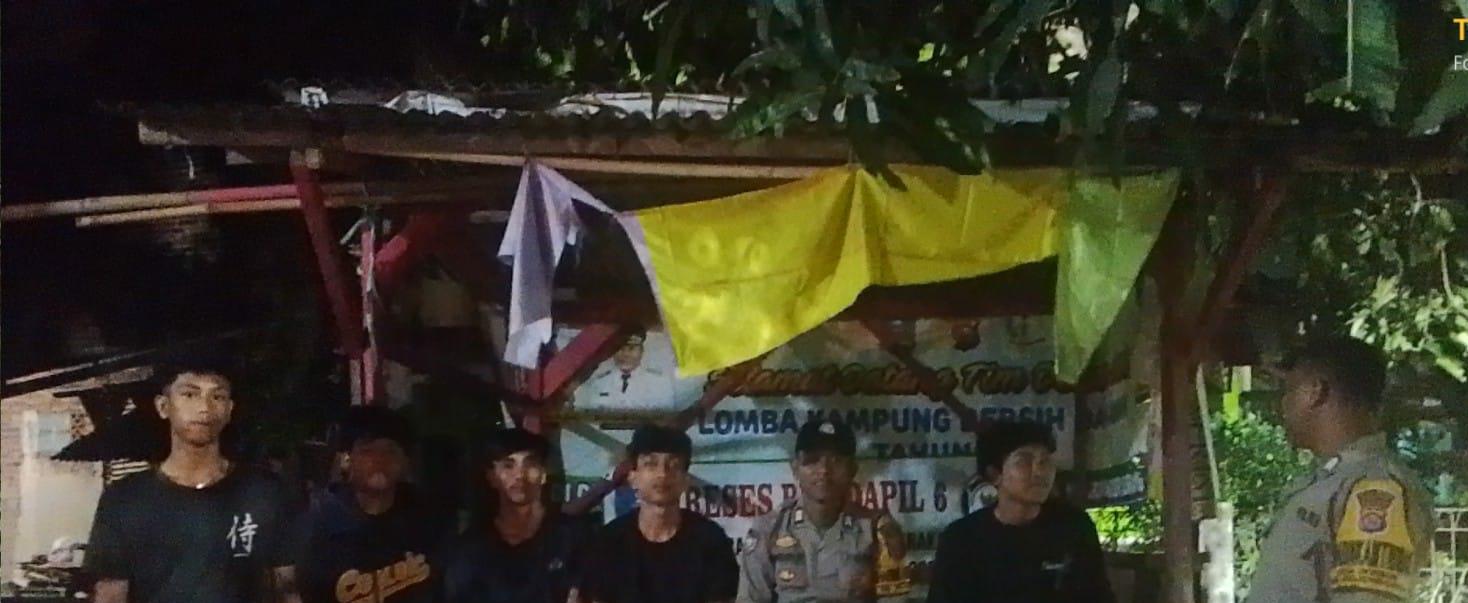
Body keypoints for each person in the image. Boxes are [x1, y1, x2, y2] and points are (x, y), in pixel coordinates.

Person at [86, 361, 303, 603]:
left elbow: (287, 589)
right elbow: (110, 596)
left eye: (217, 396)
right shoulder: (123, 500)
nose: (204, 408)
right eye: (190, 394)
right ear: (163, 406)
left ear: (229, 410)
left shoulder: (264, 493)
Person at [1246, 336, 1433, 603]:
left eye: (1288, 391)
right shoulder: (1330, 480)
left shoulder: (1375, 488)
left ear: (1316, 392)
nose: (1283, 406)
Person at [927, 420, 1113, 603]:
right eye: (1024, 462)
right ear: (994, 475)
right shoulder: (960, 540)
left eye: (1045, 461)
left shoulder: (1074, 528)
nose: (1039, 471)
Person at [738, 419, 911, 603]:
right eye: (812, 460)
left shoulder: (876, 531)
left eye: (836, 460)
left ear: (853, 469)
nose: (823, 470)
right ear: (795, 468)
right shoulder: (769, 530)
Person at [297, 406, 446, 603]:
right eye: (367, 451)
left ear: (404, 461)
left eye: (390, 451)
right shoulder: (318, 523)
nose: (379, 460)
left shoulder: (428, 522)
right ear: (348, 459)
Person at [582, 424, 738, 603]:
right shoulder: (609, 542)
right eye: (651, 464)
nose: (662, 474)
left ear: (686, 480)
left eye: (673, 465)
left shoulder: (710, 541)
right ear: (633, 477)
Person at [442, 427, 594, 603]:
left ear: (543, 474)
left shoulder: (573, 536)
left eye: (530, 464)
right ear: (492, 477)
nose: (520, 475)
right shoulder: (470, 547)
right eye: (508, 465)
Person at [580, 331, 675, 411]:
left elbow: (664, 418)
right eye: (620, 349)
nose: (625, 354)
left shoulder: (659, 382)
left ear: (641, 352)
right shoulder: (599, 382)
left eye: (631, 349)